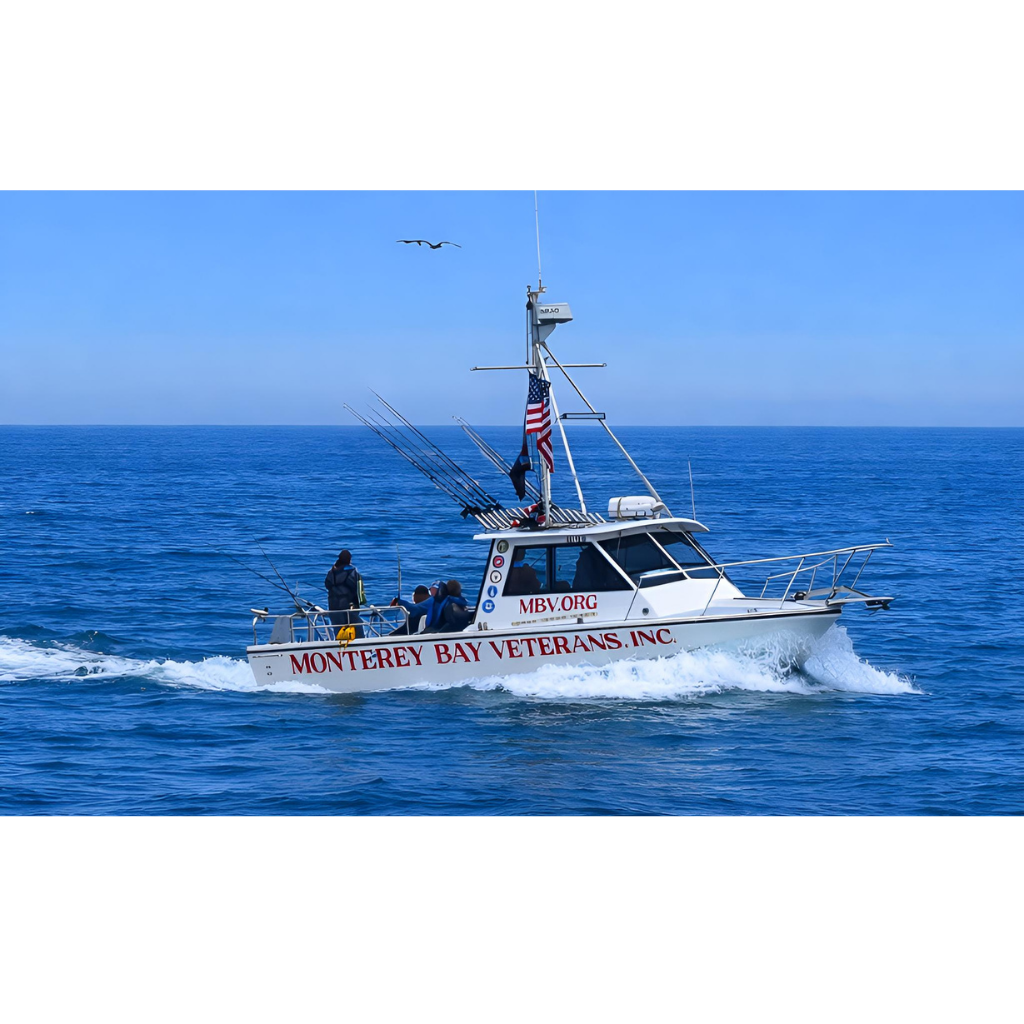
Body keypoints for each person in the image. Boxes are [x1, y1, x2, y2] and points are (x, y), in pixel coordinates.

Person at [325, 551, 365, 639]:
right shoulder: (352, 571)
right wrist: (359, 602)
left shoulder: (331, 572)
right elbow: (356, 588)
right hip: (348, 606)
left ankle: (340, 650)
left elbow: (327, 586)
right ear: (348, 559)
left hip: (333, 607)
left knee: (339, 632)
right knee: (357, 632)